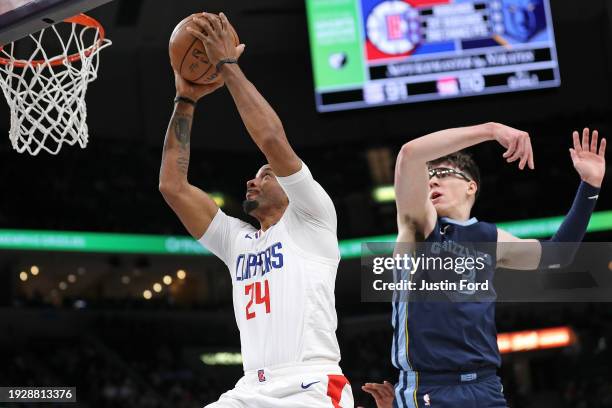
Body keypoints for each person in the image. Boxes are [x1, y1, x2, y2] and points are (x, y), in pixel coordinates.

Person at [158, 12, 354, 408]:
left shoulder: (312, 218)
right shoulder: (237, 240)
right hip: (250, 389)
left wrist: (227, 66)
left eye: (265, 174)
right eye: (255, 175)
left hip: (310, 384)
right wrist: (186, 99)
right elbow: (172, 187)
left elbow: (270, 138)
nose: (253, 180)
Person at [368, 123, 606, 408]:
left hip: (486, 386)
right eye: (429, 176)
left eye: (442, 174)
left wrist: (590, 186)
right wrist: (492, 130)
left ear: (471, 186)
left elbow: (558, 256)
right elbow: (410, 154)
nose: (432, 181)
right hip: (430, 386)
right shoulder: (419, 227)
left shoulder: (489, 238)